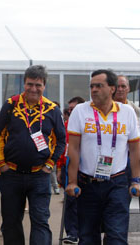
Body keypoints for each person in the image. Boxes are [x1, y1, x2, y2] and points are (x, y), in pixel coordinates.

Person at [0, 65, 66, 245]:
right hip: (11, 174)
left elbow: (61, 140)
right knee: (10, 222)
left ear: (44, 85)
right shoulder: (11, 105)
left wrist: (50, 164)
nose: (33, 89)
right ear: (24, 84)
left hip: (39, 176)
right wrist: (1, 164)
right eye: (30, 84)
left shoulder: (52, 109)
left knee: (40, 221)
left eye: (38, 85)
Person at [66, 69, 140, 244]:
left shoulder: (127, 112)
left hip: (117, 183)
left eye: (99, 86)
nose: (94, 90)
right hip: (87, 183)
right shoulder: (80, 111)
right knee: (87, 236)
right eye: (92, 86)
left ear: (112, 88)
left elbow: (135, 148)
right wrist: (72, 181)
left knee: (116, 236)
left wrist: (136, 179)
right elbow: (74, 148)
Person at [56, 96, 85, 244]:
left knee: (84, 203)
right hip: (68, 166)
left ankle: (83, 232)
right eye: (69, 109)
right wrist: (60, 169)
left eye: (74, 109)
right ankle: (72, 233)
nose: (71, 111)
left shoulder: (88, 123)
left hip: (85, 168)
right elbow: (63, 147)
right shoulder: (65, 125)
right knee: (70, 201)